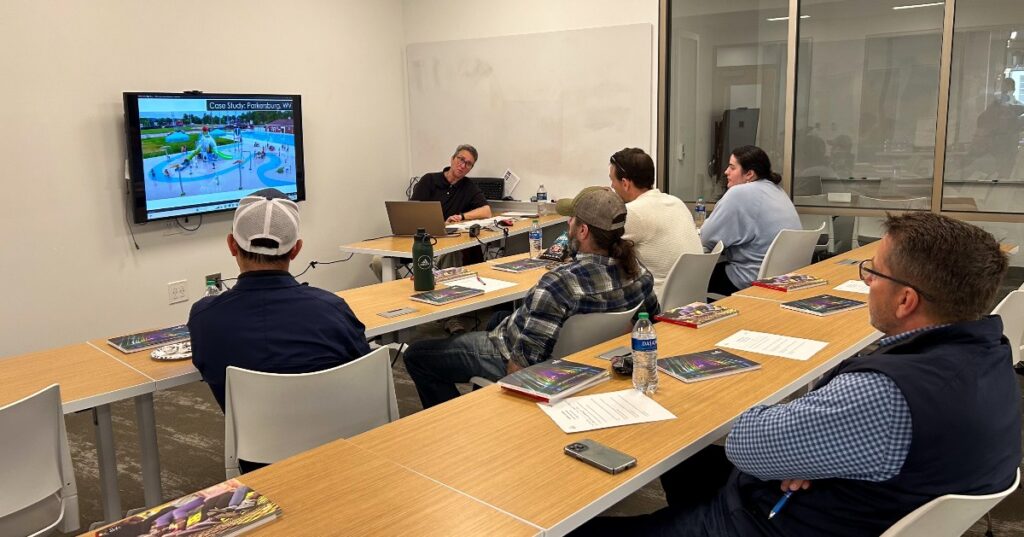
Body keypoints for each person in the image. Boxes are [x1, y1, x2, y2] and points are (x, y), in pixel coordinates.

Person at [575, 212, 1020, 537]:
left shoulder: (885, 396)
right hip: (853, 507)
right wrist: (808, 452)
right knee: (690, 458)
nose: (866, 282)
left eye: (874, 273)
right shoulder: (990, 353)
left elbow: (749, 445)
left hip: (773, 523)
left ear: (906, 301)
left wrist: (792, 447)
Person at [403, 187, 661, 408]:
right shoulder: (639, 272)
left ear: (583, 231)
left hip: (514, 355)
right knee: (499, 318)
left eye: (571, 219)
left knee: (417, 355)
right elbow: (650, 321)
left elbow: (522, 367)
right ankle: (482, 405)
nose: (567, 223)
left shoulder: (558, 285)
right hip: (590, 358)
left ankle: (455, 419)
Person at [189, 188, 371, 472]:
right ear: (296, 249)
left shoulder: (204, 319)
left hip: (259, 467)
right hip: (344, 458)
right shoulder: (334, 310)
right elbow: (363, 376)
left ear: (231, 245)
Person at [700, 145, 801, 295]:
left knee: (692, 278)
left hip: (750, 280)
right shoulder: (778, 191)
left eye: (732, 168)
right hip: (783, 278)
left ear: (749, 174)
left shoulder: (740, 193)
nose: (726, 172)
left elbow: (706, 238)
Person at [608, 147, 702, 301]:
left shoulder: (633, 212)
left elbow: (601, 251)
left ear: (625, 183)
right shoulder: (676, 202)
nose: (612, 186)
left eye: (612, 180)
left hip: (656, 303)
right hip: (692, 302)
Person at [411, 144, 492, 224]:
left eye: (468, 164)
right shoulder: (429, 180)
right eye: (461, 159)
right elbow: (411, 211)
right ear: (452, 159)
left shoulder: (469, 186)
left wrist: (461, 216)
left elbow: (487, 211)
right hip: (426, 231)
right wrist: (442, 224)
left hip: (452, 234)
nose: (463, 165)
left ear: (470, 169)